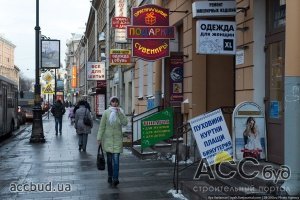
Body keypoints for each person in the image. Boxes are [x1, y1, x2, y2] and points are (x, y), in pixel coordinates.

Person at [97, 96, 128, 187]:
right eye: (113, 102)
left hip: (117, 141)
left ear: (118, 103)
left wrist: (120, 113)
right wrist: (99, 138)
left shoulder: (120, 112)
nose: (115, 103)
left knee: (116, 162)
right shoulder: (106, 113)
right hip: (108, 141)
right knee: (109, 161)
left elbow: (125, 122)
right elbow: (102, 126)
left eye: (116, 102)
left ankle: (115, 178)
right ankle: (110, 175)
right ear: (110, 103)